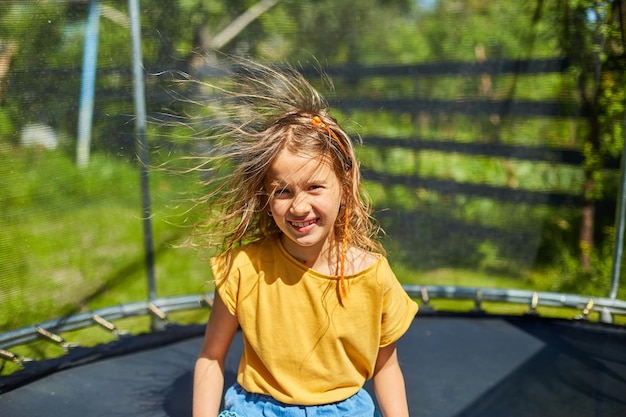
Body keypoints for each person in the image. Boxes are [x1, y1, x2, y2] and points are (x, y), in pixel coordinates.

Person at [189, 58, 418, 417]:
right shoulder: (243, 268)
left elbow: (386, 367)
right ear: (265, 194)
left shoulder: (373, 276)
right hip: (258, 410)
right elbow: (211, 356)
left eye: (314, 187)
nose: (299, 207)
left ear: (344, 184)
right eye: (282, 191)